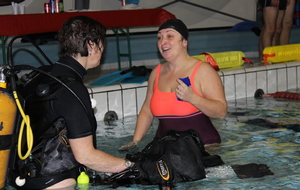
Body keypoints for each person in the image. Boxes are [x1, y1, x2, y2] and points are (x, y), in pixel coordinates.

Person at [8, 16, 132, 190]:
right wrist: (131, 166)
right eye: (101, 43)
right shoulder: (72, 89)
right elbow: (86, 156)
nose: (103, 49)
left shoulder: (42, 75)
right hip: (54, 184)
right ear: (91, 45)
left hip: (22, 178)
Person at [120, 19, 227, 151]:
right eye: (159, 38)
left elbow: (221, 112)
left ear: (184, 42)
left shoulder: (202, 71)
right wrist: (135, 142)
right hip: (164, 148)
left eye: (169, 36)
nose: (163, 42)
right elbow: (147, 110)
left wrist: (193, 98)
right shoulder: (156, 73)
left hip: (202, 148)